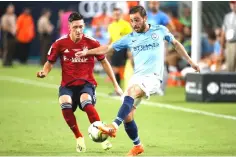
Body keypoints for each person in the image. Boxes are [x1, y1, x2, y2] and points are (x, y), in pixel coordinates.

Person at [76, 6, 200, 156]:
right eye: (132, 21)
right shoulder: (130, 37)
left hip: (153, 77)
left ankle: (114, 126)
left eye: (137, 20)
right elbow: (108, 48)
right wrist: (87, 52)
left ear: (145, 18)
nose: (134, 24)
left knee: (131, 91)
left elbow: (176, 44)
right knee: (128, 115)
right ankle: (138, 146)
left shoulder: (160, 30)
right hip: (137, 77)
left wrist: (190, 61)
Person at [36, 12, 123, 153]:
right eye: (75, 27)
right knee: (65, 105)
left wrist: (116, 85)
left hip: (86, 84)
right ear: (69, 26)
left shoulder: (91, 42)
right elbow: (49, 62)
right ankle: (79, 137)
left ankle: (103, 138)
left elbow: (105, 62)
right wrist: (44, 72)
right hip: (67, 85)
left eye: (81, 27)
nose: (78, 30)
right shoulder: (59, 43)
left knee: (86, 102)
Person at [107, 8, 132, 96]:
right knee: (115, 69)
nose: (116, 15)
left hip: (123, 48)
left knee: (119, 69)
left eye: (118, 14)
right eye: (115, 14)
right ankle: (119, 90)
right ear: (113, 15)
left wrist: (130, 50)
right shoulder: (111, 26)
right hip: (114, 48)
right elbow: (111, 38)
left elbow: (131, 37)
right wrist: (108, 48)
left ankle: (119, 90)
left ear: (121, 15)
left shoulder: (126, 24)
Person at [221, 0, 236, 72]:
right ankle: (230, 82)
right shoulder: (227, 16)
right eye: (232, 3)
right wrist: (222, 45)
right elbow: (223, 31)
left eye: (235, 3)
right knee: (230, 65)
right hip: (229, 43)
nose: (233, 5)